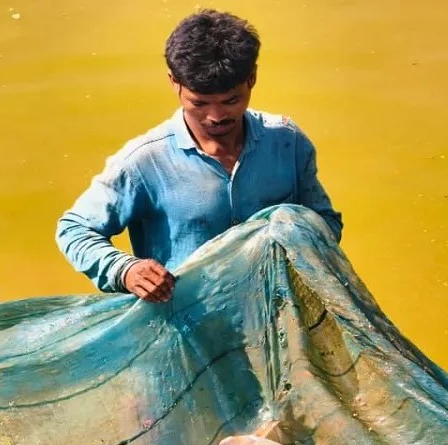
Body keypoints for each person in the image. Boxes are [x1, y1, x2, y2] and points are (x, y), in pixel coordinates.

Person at [55, 9, 343, 304]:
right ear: (174, 82)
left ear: (252, 78)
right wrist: (126, 270)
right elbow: (75, 229)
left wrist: (295, 235)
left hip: (276, 312)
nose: (216, 116)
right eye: (200, 103)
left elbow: (326, 222)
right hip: (187, 323)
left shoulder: (287, 142)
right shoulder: (143, 162)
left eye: (231, 101)